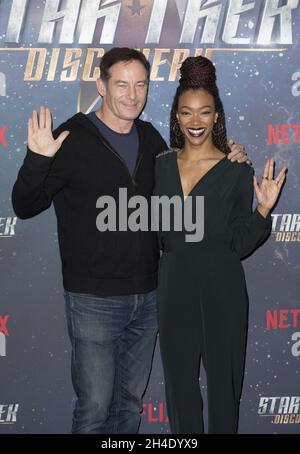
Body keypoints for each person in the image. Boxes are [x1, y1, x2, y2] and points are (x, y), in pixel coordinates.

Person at [12, 47, 248, 434]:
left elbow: (190, 172)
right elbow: (24, 205)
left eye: (140, 84)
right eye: (121, 84)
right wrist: (37, 158)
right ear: (102, 86)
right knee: (95, 408)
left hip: (149, 297)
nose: (131, 94)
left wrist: (230, 155)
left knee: (128, 408)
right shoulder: (71, 137)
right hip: (93, 300)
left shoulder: (151, 138)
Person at [154, 56, 287, 434]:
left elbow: (240, 243)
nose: (195, 122)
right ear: (176, 117)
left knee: (224, 393)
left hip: (222, 288)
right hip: (173, 287)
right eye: (186, 113)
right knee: (179, 390)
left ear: (216, 116)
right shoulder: (160, 166)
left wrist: (262, 209)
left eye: (204, 112)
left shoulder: (237, 169)